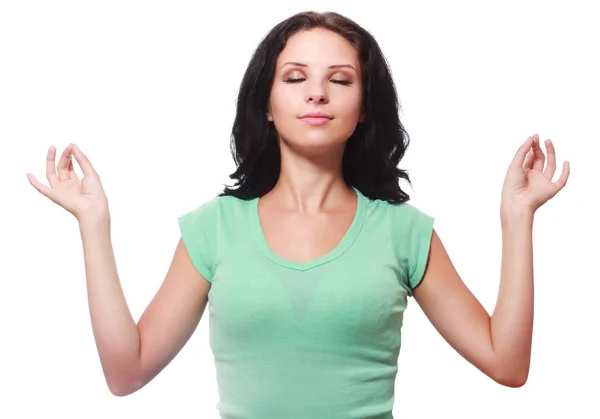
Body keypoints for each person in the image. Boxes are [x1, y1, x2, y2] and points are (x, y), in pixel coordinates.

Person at [27, 10, 570, 419]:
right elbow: (127, 374)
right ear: (266, 102)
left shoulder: (405, 233)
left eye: (339, 79)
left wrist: (517, 217)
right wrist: (93, 224)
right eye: (295, 78)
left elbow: (508, 365)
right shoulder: (214, 228)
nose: (317, 93)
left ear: (363, 108)